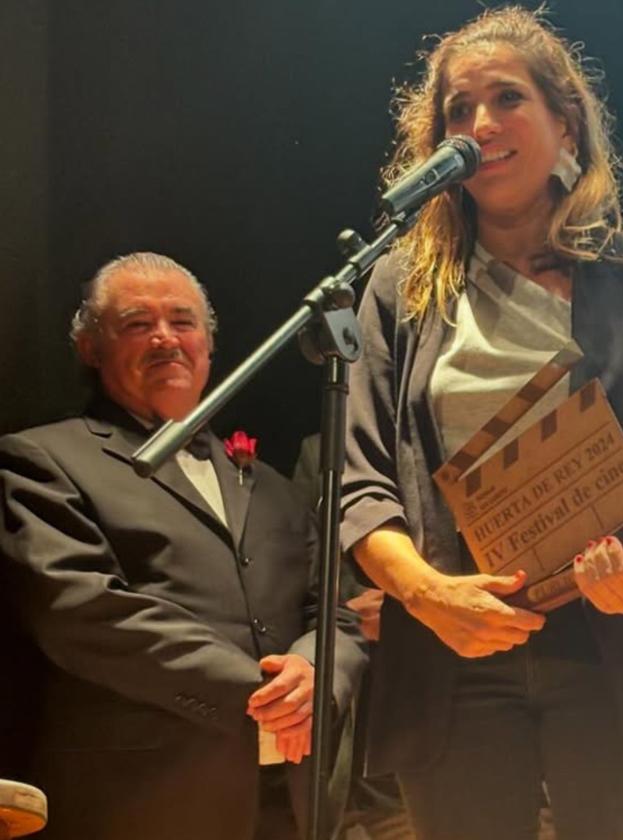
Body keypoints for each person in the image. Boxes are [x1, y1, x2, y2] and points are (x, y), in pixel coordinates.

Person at [341, 7, 623, 840]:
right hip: (452, 660)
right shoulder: (398, 290)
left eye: (507, 98)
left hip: (614, 651)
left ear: (566, 124)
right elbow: (360, 483)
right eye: (457, 108)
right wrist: (428, 594)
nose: (479, 124)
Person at [0, 252, 367, 840]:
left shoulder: (270, 483)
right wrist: (259, 694)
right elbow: (80, 610)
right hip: (141, 803)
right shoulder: (43, 460)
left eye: (183, 321)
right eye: (138, 324)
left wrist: (317, 672)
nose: (166, 339)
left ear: (209, 345)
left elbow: (337, 614)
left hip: (295, 802)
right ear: (90, 348)